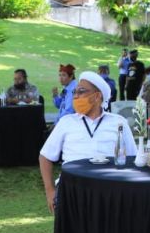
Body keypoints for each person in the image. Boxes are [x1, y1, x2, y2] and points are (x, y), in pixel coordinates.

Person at [39, 71, 137, 213]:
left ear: (97, 96)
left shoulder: (118, 122)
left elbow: (133, 158)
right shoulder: (67, 122)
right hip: (71, 189)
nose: (76, 96)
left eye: (81, 91)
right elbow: (45, 157)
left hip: (110, 190)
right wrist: (50, 191)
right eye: (74, 92)